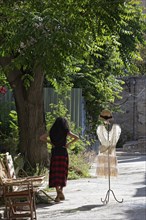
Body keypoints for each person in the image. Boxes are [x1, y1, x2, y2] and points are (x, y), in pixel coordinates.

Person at [40, 117, 79, 202]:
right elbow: (76, 137)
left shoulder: (52, 132)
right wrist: (68, 144)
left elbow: (42, 138)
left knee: (55, 173)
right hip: (63, 152)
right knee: (62, 172)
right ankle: (60, 192)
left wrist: (50, 143)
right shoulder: (66, 131)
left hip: (55, 153)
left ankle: (58, 193)